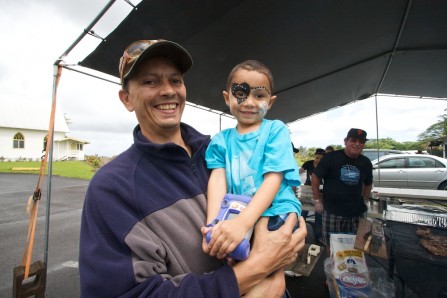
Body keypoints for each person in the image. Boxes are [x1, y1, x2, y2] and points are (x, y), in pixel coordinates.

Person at [79, 39, 307, 298]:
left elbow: (282, 226)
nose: (168, 91)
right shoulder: (112, 187)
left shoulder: (215, 150)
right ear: (126, 98)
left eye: (175, 80)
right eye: (150, 81)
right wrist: (254, 271)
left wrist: (280, 261)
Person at [205, 60, 302, 262]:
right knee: (233, 261)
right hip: (239, 213)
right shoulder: (221, 140)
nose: (249, 102)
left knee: (262, 263)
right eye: (241, 94)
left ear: (271, 101)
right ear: (227, 97)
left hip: (275, 211)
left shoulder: (275, 130)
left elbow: (274, 178)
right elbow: (217, 181)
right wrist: (214, 223)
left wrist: (243, 224)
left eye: (259, 96)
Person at [311, 128, 373, 256]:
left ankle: (350, 273)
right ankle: (332, 275)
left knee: (356, 245)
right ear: (346, 141)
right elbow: (315, 177)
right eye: (353, 140)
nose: (357, 144)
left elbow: (368, 183)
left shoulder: (365, 162)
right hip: (332, 211)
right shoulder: (331, 158)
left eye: (361, 141)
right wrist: (317, 200)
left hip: (356, 212)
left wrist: (365, 201)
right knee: (331, 244)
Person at [299, 148, 325, 242]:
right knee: (303, 213)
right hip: (307, 190)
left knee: (318, 215)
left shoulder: (325, 165)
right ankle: (300, 235)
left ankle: (318, 237)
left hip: (319, 191)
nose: (318, 160)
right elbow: (300, 171)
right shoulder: (308, 163)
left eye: (321, 158)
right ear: (314, 156)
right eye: (317, 158)